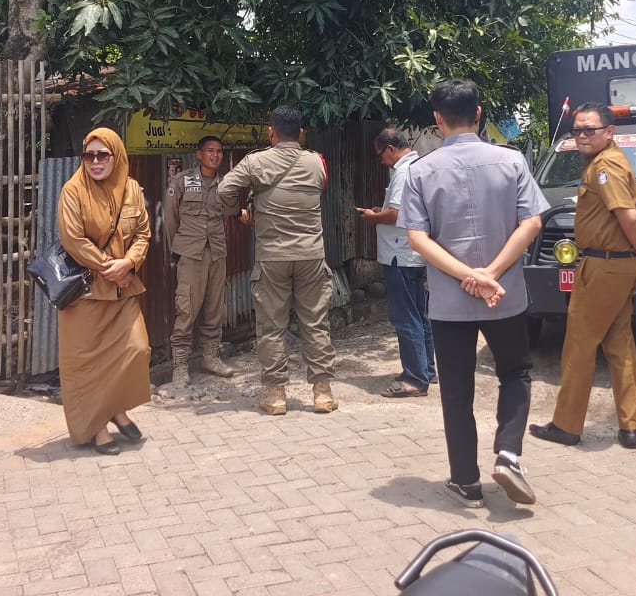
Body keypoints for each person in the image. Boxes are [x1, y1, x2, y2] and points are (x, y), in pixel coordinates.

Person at [400, 78, 549, 508]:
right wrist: (491, 274)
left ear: (437, 118)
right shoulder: (512, 161)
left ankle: (466, 482)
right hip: (505, 295)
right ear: (479, 113)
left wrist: (468, 276)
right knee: (515, 373)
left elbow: (417, 238)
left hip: (450, 302)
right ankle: (508, 454)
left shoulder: (420, 171)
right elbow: (532, 222)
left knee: (456, 390)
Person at [530, 103, 636, 450]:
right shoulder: (612, 160)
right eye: (577, 130)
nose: (582, 136)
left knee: (579, 344)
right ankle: (629, 427)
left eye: (590, 130)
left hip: (604, 265)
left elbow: (628, 217)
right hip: (616, 265)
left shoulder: (605, 167)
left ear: (609, 131)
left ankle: (566, 425)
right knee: (620, 344)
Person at [219, 106, 338, 415]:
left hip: (272, 257)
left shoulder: (255, 162)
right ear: (301, 133)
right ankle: (323, 393)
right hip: (311, 255)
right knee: (315, 322)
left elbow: (224, 189)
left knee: (271, 327)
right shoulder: (317, 162)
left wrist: (237, 212)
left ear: (271, 132)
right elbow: (320, 187)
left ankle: (276, 396)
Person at [56, 128, 152, 455]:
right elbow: (73, 239)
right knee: (88, 364)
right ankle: (97, 427)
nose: (95, 162)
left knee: (137, 349)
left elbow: (143, 233)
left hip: (123, 290)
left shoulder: (132, 189)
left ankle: (115, 408)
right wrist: (111, 268)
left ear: (116, 156)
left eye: (102, 155)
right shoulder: (73, 190)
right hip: (86, 294)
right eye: (89, 155)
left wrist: (130, 262)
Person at [357, 127, 437, 397]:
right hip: (411, 252)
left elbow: (397, 214)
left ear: (390, 148)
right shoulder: (418, 167)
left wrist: (373, 217)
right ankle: (426, 370)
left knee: (405, 317)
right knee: (419, 314)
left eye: (381, 154)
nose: (381, 160)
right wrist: (382, 212)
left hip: (399, 254)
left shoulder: (403, 172)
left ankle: (415, 379)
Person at [164, 135, 235, 386]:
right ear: (198, 154)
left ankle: (211, 358)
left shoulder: (224, 183)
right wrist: (179, 249)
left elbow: (231, 210)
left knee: (214, 308)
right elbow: (170, 219)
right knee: (187, 309)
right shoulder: (182, 181)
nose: (215, 155)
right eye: (210, 150)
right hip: (191, 254)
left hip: (217, 253)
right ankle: (180, 366)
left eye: (219, 151)